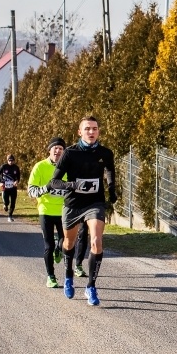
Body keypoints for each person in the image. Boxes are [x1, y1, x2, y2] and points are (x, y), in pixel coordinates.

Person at [48, 116, 117, 306]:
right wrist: (72, 185)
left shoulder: (105, 153)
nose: (91, 132)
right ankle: (69, 275)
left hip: (95, 202)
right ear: (80, 132)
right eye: (87, 129)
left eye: (95, 129)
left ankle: (91, 286)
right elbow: (53, 182)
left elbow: (110, 170)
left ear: (99, 131)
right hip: (73, 204)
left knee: (96, 241)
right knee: (68, 242)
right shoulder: (70, 153)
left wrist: (111, 189)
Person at [28, 138, 69, 288]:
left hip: (64, 210)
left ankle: (59, 249)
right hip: (45, 210)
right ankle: (51, 277)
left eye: (61, 148)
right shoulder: (40, 167)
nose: (58, 151)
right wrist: (46, 188)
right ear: (50, 150)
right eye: (55, 148)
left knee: (66, 243)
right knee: (48, 246)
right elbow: (31, 191)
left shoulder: (68, 167)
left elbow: (73, 187)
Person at [0, 154, 21, 222]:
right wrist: (0, 182)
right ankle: (5, 205)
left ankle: (10, 216)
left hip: (13, 187)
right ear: (7, 160)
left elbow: (18, 176)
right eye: (9, 160)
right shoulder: (3, 166)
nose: (11, 162)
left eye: (12, 160)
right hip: (5, 187)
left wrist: (17, 181)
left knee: (13, 202)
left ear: (14, 161)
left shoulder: (16, 167)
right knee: (7, 201)